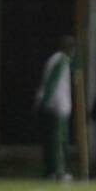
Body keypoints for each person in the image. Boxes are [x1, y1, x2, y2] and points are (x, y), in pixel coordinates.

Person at [34, 36, 76, 180]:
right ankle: (59, 171)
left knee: (51, 141)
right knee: (59, 141)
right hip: (57, 106)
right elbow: (52, 82)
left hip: (52, 105)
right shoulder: (62, 60)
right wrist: (46, 101)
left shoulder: (53, 59)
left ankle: (50, 170)